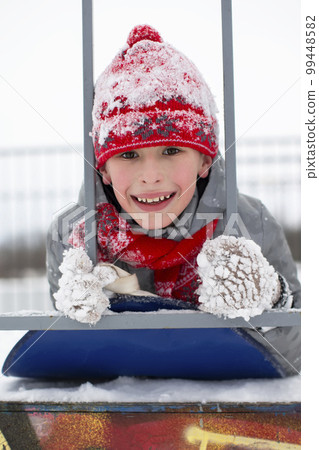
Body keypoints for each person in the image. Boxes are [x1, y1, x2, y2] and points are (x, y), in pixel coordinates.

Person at [46, 24, 301, 315]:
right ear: (103, 168)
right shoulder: (72, 237)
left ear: (205, 160)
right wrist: (74, 325)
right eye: (129, 154)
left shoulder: (253, 224)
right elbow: (64, 358)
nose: (151, 175)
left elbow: (297, 349)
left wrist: (274, 297)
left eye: (171, 150)